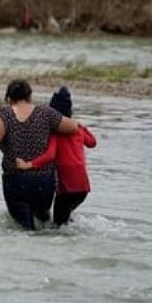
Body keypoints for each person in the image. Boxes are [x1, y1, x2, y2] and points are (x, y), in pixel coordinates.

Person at [0, 79, 79, 230]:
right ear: (29, 96)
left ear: (9, 98)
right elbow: (73, 127)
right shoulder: (45, 112)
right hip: (44, 181)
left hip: (16, 180)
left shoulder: (5, 115)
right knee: (44, 223)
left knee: (24, 229)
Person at [15, 86, 97, 226]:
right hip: (83, 187)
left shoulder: (56, 133)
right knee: (64, 217)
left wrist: (28, 164)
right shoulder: (77, 129)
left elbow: (50, 155)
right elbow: (92, 142)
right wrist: (81, 126)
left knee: (58, 224)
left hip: (68, 187)